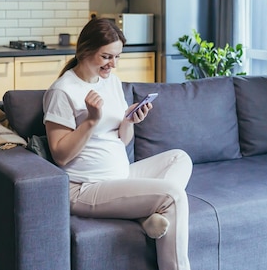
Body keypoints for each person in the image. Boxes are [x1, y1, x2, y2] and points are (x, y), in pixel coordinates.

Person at [43, 18, 192, 270]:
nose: (113, 64)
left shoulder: (111, 81)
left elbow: (123, 140)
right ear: (85, 51)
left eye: (117, 57)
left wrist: (130, 119)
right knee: (173, 196)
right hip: (85, 187)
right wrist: (90, 121)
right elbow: (60, 155)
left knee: (180, 158)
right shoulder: (62, 91)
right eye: (106, 57)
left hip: (119, 177)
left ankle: (146, 215)